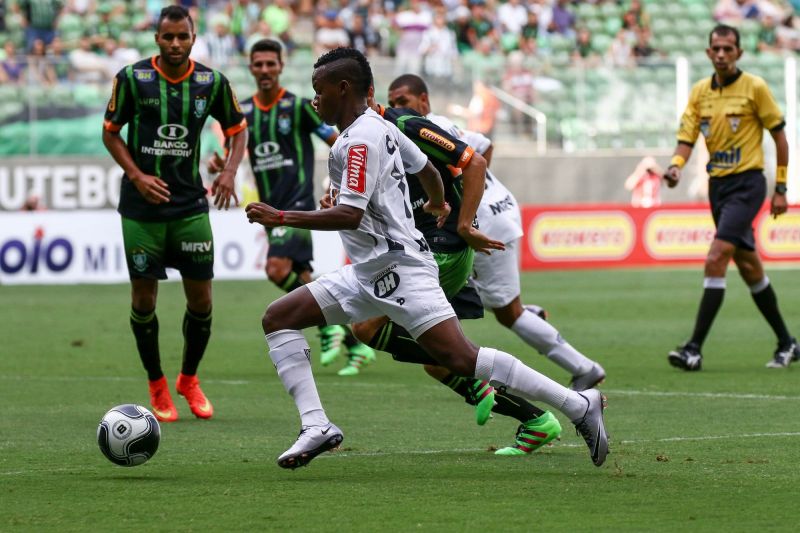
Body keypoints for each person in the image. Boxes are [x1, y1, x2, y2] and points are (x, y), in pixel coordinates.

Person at [245, 47, 608, 469]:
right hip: (367, 272)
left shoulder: (360, 139)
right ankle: (316, 426)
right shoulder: (379, 126)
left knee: (459, 358)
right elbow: (428, 171)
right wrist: (437, 203)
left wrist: (281, 216)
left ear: (342, 89)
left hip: (400, 271)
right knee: (279, 317)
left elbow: (349, 213)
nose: (314, 100)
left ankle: (579, 405)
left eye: (318, 91)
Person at [387, 73, 606, 391]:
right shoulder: (438, 124)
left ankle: (584, 368)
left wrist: (466, 199)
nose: (397, 108)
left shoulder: (428, 128)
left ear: (424, 101)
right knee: (476, 291)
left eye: (403, 102)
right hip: (498, 208)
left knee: (509, 314)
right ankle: (514, 312)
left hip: (485, 219)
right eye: (392, 103)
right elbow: (484, 145)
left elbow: (479, 155)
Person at [102, 5, 248, 421]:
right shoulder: (133, 79)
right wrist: (136, 175)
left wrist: (229, 173)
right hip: (141, 209)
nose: (175, 44)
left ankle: (189, 379)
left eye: (182, 36)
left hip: (189, 205)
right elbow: (110, 132)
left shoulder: (211, 82)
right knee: (144, 299)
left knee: (201, 301)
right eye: (168, 37)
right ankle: (157, 385)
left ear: (193, 37)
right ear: (157, 39)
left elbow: (238, 129)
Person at [208, 38, 376, 376]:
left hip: (297, 204)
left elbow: (339, 141)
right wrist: (220, 163)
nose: (265, 70)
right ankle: (353, 341)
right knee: (301, 278)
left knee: (276, 269)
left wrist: (339, 184)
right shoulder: (246, 114)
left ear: (281, 66)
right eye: (259, 64)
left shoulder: (299, 107)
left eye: (271, 63)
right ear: (251, 67)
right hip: (270, 210)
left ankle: (327, 326)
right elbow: (232, 151)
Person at [664, 24, 798, 371]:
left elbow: (781, 139)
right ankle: (787, 342)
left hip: (749, 184)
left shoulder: (755, 87)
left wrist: (781, 188)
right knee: (750, 267)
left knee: (716, 256)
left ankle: (693, 348)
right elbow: (687, 136)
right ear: (709, 53)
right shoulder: (699, 92)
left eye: (728, 48)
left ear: (738, 52)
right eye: (716, 49)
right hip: (718, 187)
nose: (722, 54)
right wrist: (676, 166)